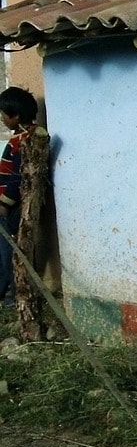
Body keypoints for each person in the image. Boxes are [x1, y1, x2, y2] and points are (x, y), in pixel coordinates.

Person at [0, 87, 38, 304]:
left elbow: (17, 178)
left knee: (8, 254)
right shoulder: (22, 137)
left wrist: (5, 203)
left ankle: (14, 297)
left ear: (15, 115)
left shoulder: (24, 140)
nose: (3, 119)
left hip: (11, 207)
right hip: (8, 204)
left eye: (4, 115)